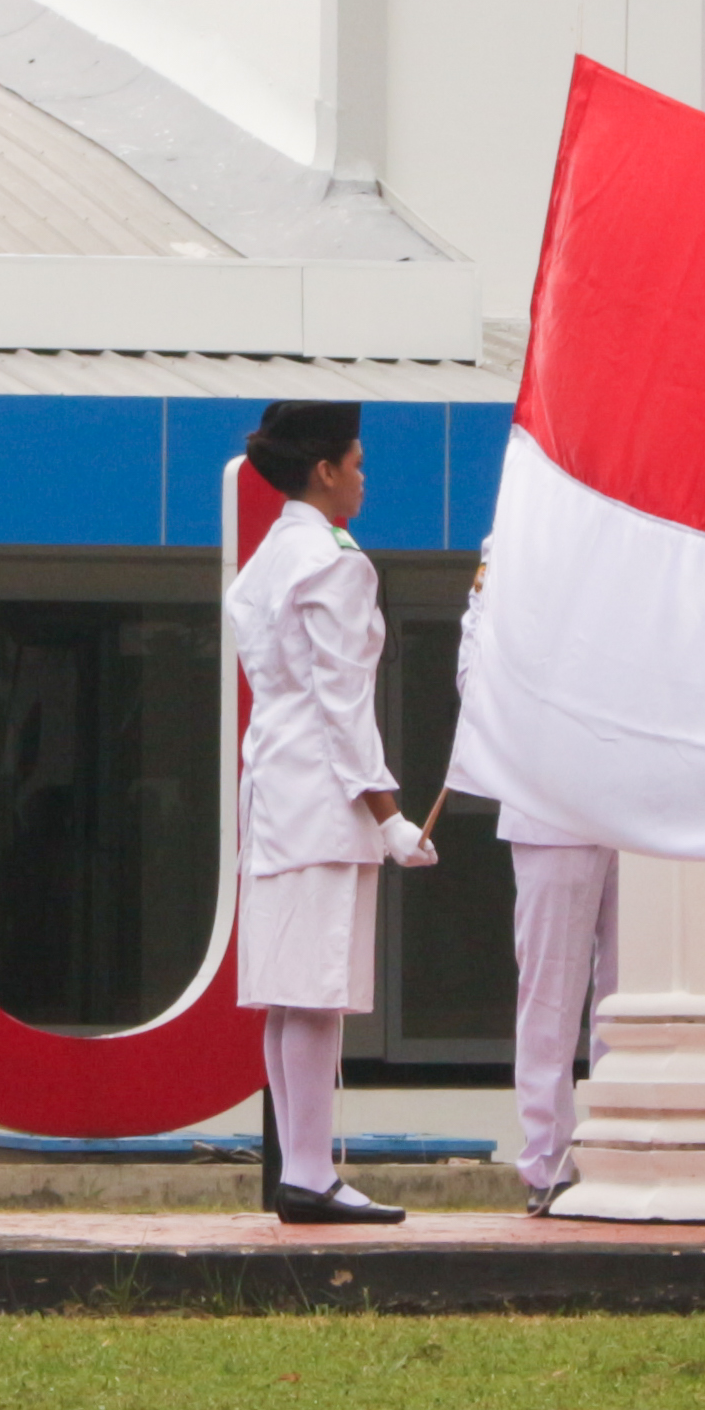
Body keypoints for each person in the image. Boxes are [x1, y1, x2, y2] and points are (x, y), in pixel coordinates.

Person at [222, 401, 437, 1228]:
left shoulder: (277, 550)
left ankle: (304, 1169)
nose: (363, 475)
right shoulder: (337, 563)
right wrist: (386, 813)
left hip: (276, 783)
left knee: (289, 992)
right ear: (325, 471)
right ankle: (309, 1173)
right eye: (356, 461)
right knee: (312, 991)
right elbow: (344, 703)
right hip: (322, 791)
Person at [451, 558, 618, 1216]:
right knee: (551, 988)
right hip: (551, 790)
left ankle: (614, 1147)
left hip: (639, 796)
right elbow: (476, 671)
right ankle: (548, 1161)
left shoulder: (631, 528)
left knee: (628, 992)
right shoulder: (518, 538)